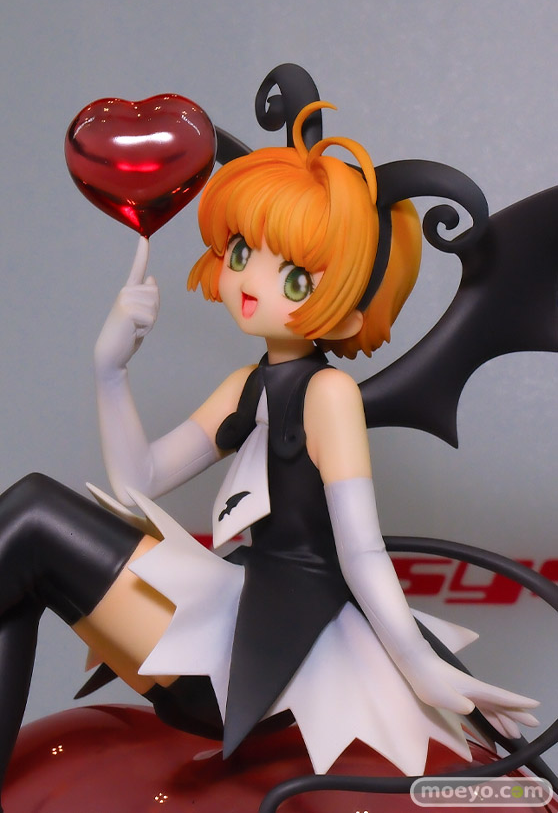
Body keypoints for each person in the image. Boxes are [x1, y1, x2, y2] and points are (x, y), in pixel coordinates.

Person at [0, 103, 538, 808]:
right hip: (233, 606)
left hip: (268, 653)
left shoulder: (329, 396)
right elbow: (139, 480)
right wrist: (111, 370)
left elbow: (361, 554)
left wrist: (421, 667)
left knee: (32, 517)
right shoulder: (244, 387)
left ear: (351, 311)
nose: (250, 280)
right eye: (240, 252)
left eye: (295, 278)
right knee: (22, 565)